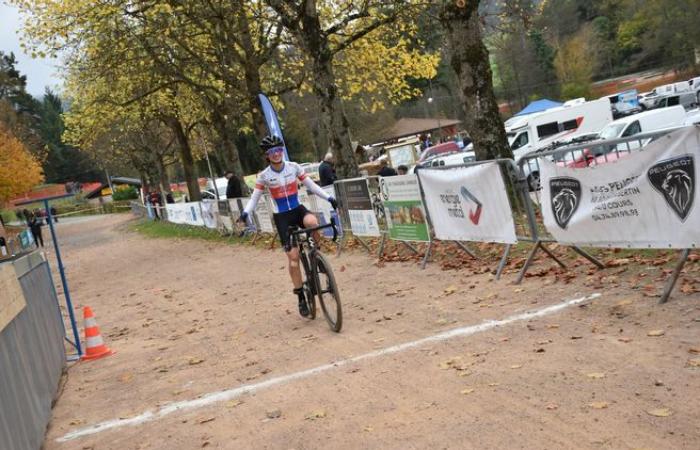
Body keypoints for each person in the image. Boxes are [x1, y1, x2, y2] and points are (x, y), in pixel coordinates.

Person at [238, 135, 338, 317]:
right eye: (272, 152)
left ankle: (317, 254)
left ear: (282, 151)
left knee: (313, 223)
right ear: (267, 155)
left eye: (279, 150)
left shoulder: (294, 167)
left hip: (297, 209)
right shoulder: (264, 176)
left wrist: (329, 198)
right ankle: (300, 295)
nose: (276, 154)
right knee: (293, 258)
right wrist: (245, 213)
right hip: (282, 216)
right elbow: (255, 198)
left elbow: (311, 185)